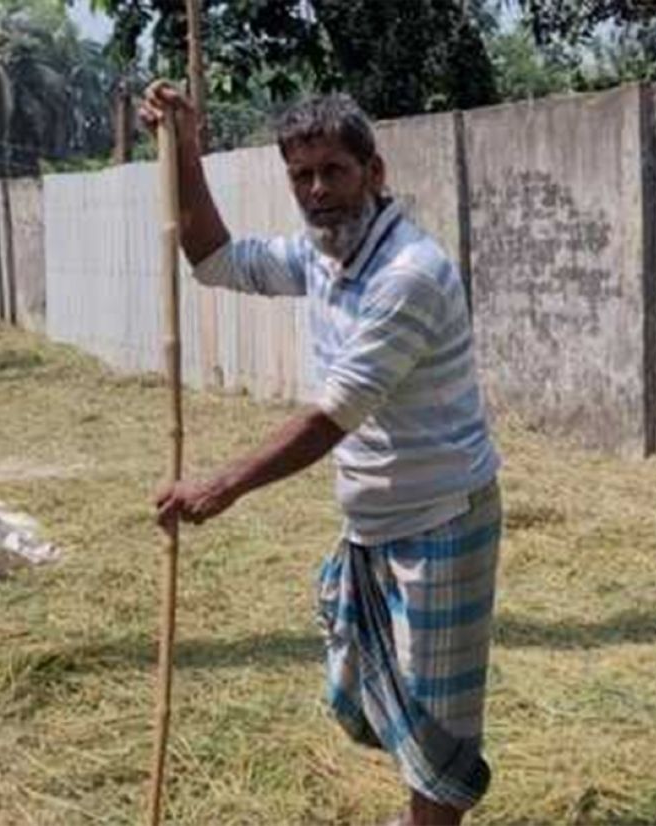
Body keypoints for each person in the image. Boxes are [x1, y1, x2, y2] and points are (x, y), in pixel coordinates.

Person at [140, 81, 502, 826]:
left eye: (334, 171)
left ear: (374, 173)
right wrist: (184, 149)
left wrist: (220, 487)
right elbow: (213, 257)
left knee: (436, 724)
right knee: (375, 697)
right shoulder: (320, 256)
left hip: (440, 524)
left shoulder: (409, 276)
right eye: (301, 176)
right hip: (371, 525)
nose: (317, 191)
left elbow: (332, 416)